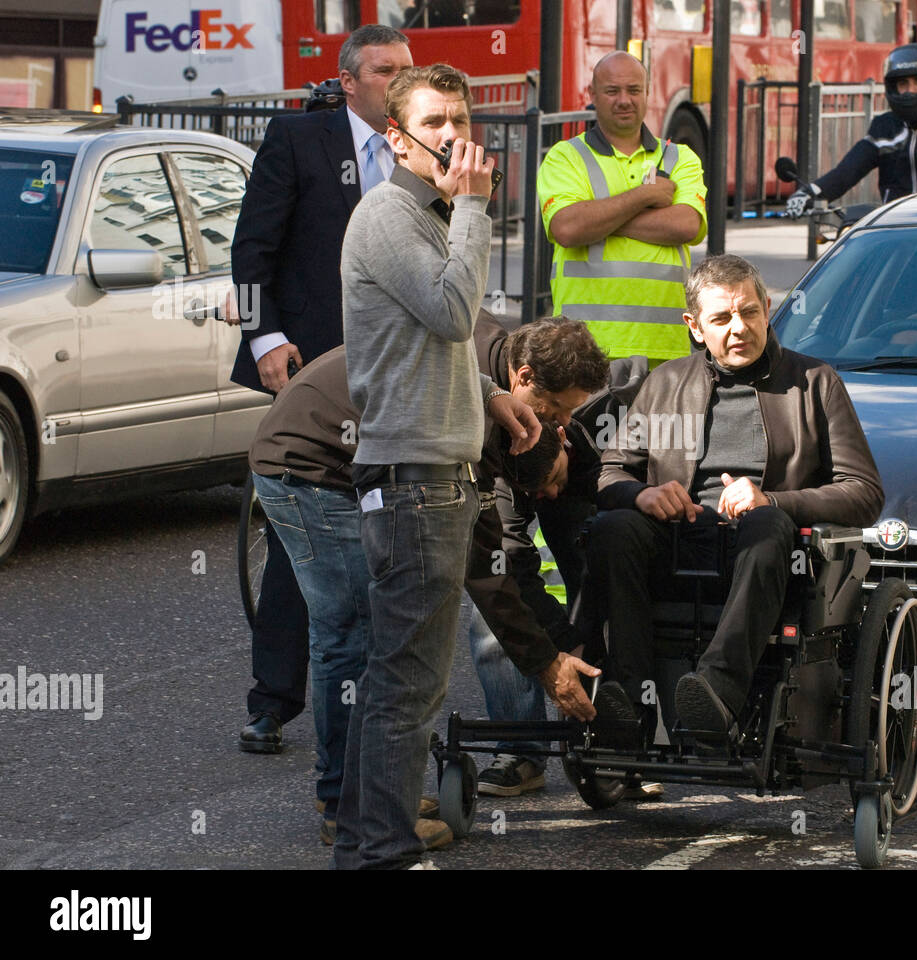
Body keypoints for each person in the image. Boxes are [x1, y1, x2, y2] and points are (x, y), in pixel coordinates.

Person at [332, 63, 580, 870]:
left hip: (435, 473)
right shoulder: (391, 214)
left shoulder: (428, 216)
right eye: (434, 120)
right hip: (412, 483)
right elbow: (449, 310)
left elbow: (414, 344)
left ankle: (374, 842)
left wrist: (486, 395)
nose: (452, 134)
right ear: (397, 135)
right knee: (405, 685)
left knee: (408, 683)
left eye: (461, 118)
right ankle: (380, 849)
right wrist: (473, 206)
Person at [584, 254, 884, 745]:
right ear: (695, 327)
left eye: (749, 312)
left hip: (770, 556)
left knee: (767, 528)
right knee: (613, 529)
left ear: (768, 309)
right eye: (722, 318)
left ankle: (716, 693)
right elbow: (611, 473)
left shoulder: (814, 383)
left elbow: (864, 493)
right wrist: (643, 495)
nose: (739, 328)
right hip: (678, 543)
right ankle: (627, 696)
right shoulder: (664, 385)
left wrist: (773, 500)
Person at [229, 24, 413, 755]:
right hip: (310, 376)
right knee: (293, 537)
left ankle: (378, 696)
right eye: (384, 71)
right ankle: (272, 701)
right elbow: (250, 254)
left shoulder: (422, 152)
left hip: (397, 375)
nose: (398, 82)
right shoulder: (299, 142)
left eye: (407, 70)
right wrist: (264, 340)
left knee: (391, 526)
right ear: (347, 81)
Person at [246, 346, 453, 849]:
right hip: (310, 473)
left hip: (300, 461)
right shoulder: (455, 351)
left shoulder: (450, 341)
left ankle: (350, 794)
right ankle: (349, 808)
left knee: (344, 634)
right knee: (351, 637)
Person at [467, 314, 648, 797]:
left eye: (570, 413)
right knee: (494, 607)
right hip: (492, 470)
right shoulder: (476, 397)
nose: (564, 422)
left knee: (601, 564)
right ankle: (521, 751)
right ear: (521, 379)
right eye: (553, 411)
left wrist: (583, 640)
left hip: (567, 472)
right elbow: (505, 569)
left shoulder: (574, 425)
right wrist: (557, 652)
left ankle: (620, 740)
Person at [536, 50, 708, 362]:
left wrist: (599, 219)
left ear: (647, 93)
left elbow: (686, 225)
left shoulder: (680, 157)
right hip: (584, 348)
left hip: (666, 348)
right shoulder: (565, 157)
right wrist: (644, 196)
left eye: (633, 90)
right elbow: (568, 228)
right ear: (593, 95)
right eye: (612, 91)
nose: (624, 100)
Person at [786, 43, 917, 213]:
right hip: (896, 223)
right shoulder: (884, 127)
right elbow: (847, 171)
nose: (910, 90)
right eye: (903, 83)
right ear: (893, 87)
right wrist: (809, 193)